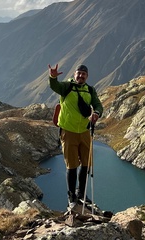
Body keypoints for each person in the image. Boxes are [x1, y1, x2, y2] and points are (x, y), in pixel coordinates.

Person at [48, 64, 103, 209]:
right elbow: (55, 86)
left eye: (83, 74)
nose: (81, 76)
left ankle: (81, 194)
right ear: (74, 74)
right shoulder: (67, 87)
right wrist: (53, 76)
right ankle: (71, 196)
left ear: (87, 76)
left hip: (85, 131)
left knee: (86, 164)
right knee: (72, 166)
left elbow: (97, 104)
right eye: (79, 73)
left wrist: (96, 113)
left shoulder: (90, 90)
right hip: (69, 132)